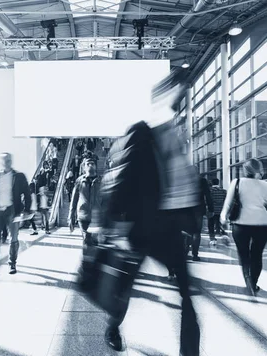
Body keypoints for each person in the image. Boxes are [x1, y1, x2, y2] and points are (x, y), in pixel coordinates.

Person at [99, 120, 200, 355]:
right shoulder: (144, 149)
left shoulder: (166, 151)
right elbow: (122, 187)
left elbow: (185, 187)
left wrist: (110, 222)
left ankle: (188, 351)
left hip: (155, 231)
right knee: (130, 285)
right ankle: (113, 327)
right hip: (149, 231)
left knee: (179, 291)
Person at [221, 159, 267, 296]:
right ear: (260, 169)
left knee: (244, 255)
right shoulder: (266, 185)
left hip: (241, 224)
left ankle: (249, 282)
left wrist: (222, 218)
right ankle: (253, 282)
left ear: (245, 170)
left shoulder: (237, 182)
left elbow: (228, 204)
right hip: (263, 224)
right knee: (257, 255)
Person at [0, 153, 32, 278]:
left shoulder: (19, 176)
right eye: (4, 160)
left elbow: (27, 193)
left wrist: (27, 209)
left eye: (9, 160)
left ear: (11, 161)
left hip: (12, 211)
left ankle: (12, 263)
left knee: (13, 238)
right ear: (0, 162)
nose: (7, 162)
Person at [69, 158, 102, 247]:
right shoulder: (79, 181)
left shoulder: (101, 181)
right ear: (84, 167)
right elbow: (74, 200)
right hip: (83, 217)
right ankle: (87, 257)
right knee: (87, 240)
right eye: (88, 164)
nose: (90, 165)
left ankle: (90, 258)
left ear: (96, 166)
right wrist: (71, 217)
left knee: (95, 243)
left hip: (96, 218)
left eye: (92, 163)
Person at [185, 176, 214, 262]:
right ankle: (195, 255)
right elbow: (208, 195)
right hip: (198, 209)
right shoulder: (202, 180)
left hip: (185, 209)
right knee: (196, 232)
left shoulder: (184, 179)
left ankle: (185, 252)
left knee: (186, 231)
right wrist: (211, 209)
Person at [208, 178, 227, 244]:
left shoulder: (210, 191)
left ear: (212, 183)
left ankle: (212, 238)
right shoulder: (223, 191)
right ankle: (220, 233)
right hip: (221, 210)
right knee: (219, 223)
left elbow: (208, 200)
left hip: (212, 210)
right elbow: (225, 201)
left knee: (211, 224)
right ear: (218, 183)